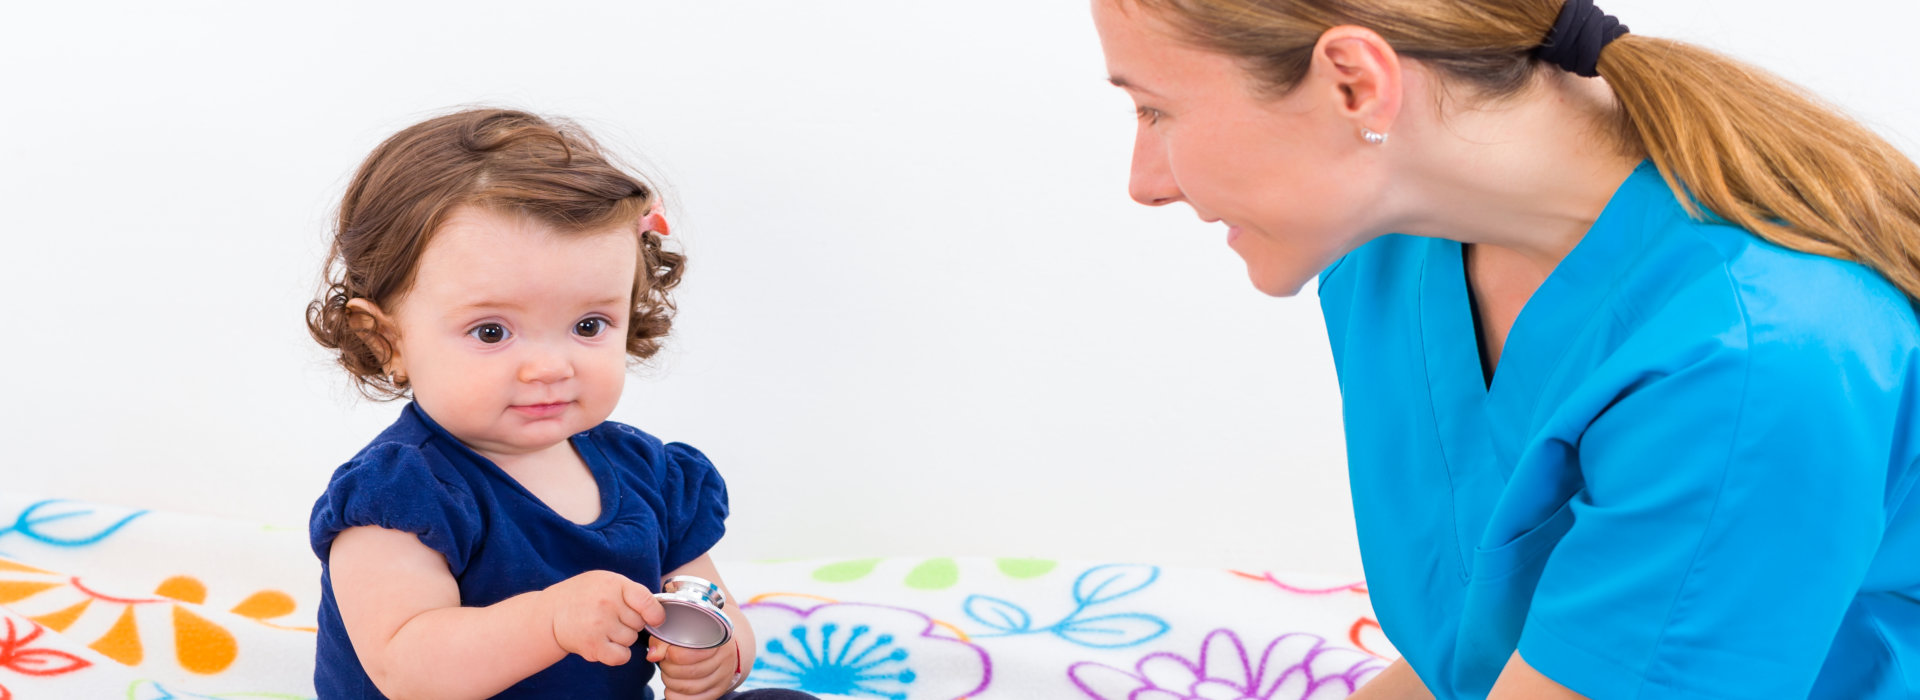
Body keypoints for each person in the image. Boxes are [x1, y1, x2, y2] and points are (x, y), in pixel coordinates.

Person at [1093, 0, 1920, 698]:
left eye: (1155, 109)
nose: (1145, 182)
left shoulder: (1755, 349)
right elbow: (1496, 647)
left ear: (1355, 83)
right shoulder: (1392, 249)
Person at [304, 108, 811, 700]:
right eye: (491, 332)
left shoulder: (648, 474)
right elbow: (408, 669)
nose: (550, 366)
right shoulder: (401, 494)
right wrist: (550, 622)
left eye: (589, 324)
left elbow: (710, 604)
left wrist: (713, 656)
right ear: (385, 340)